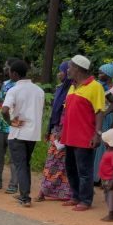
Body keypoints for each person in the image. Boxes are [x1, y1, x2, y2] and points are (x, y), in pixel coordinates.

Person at [61, 55, 105, 211]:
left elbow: (99, 111)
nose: (68, 70)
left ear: (78, 68)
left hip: (85, 136)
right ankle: (75, 196)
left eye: (70, 67)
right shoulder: (73, 86)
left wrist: (97, 133)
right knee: (71, 168)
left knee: (84, 170)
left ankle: (86, 200)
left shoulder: (95, 86)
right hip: (69, 136)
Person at [2, 60, 45, 206]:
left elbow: (4, 110)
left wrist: (10, 122)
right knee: (25, 163)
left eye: (9, 71)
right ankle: (24, 193)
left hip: (18, 133)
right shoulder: (39, 91)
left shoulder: (13, 90)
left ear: (14, 74)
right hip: (33, 133)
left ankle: (25, 197)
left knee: (20, 164)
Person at [38, 61, 73, 201]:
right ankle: (46, 190)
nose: (59, 74)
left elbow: (66, 112)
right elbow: (54, 112)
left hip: (64, 130)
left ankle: (59, 192)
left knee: (61, 163)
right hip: (56, 129)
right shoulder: (59, 88)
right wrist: (49, 129)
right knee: (53, 161)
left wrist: (61, 130)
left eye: (61, 71)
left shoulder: (72, 89)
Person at [0, 59, 19, 193]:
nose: (5, 69)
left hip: (14, 126)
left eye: (8, 67)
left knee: (14, 159)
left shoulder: (21, 86)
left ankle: (13, 185)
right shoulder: (5, 84)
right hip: (2, 125)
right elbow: (1, 105)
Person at [93, 62, 113, 184]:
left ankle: (101, 177)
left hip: (108, 120)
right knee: (95, 147)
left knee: (103, 148)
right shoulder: (99, 85)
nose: (98, 75)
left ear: (109, 75)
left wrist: (112, 126)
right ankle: (94, 175)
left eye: (101, 73)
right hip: (98, 118)